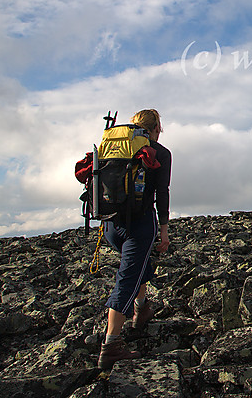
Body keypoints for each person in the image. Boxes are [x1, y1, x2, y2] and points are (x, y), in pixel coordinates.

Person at [97, 109, 172, 370]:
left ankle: (142, 310)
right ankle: (111, 346)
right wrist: (163, 229)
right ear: (157, 128)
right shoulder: (159, 152)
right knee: (127, 279)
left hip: (109, 225)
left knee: (139, 266)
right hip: (139, 225)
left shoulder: (114, 147)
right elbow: (162, 192)